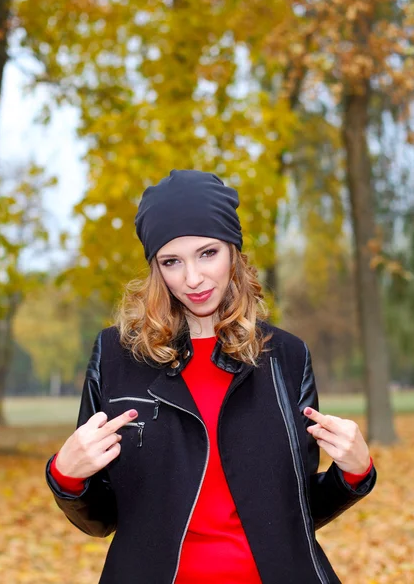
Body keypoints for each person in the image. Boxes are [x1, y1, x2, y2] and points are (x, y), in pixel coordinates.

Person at [46, 169, 377, 584]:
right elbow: (103, 519)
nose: (193, 278)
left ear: (234, 251)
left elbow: (294, 515)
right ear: (156, 268)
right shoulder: (116, 356)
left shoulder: (286, 356)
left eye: (207, 253)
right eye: (172, 261)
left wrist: (354, 472)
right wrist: (67, 476)